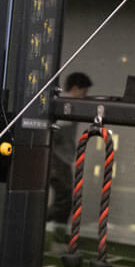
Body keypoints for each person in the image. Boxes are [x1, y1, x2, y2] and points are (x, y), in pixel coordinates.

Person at [46, 72, 92, 225]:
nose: (85, 96)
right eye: (84, 92)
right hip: (57, 157)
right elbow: (54, 129)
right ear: (75, 88)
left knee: (64, 198)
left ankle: (55, 233)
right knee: (64, 199)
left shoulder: (66, 103)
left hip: (62, 157)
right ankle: (42, 222)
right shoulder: (65, 104)